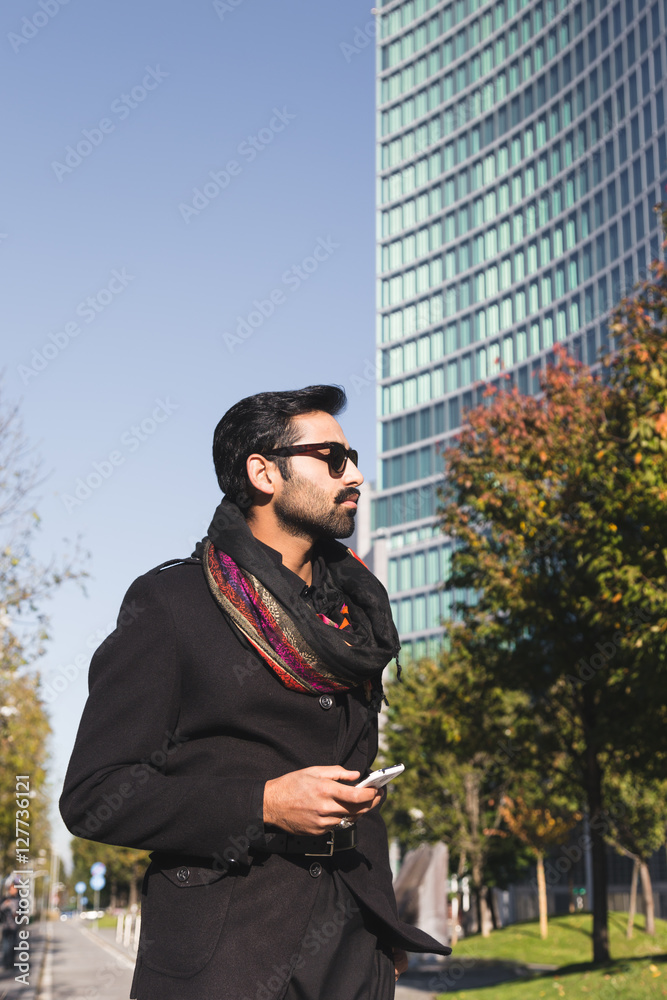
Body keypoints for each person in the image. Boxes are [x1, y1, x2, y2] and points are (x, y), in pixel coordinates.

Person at [60, 385, 451, 1000]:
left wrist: (384, 923)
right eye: (332, 457)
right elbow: (93, 794)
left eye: (351, 457)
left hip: (353, 957)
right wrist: (262, 804)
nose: (355, 474)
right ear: (264, 472)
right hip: (226, 963)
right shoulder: (171, 606)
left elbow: (354, 780)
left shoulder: (354, 620)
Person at [1, 881, 20, 971]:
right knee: (5, 946)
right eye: (12, 888)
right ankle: (5, 964)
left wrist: (17, 915)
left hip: (14, 927)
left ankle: (11, 963)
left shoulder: (19, 900)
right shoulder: (5, 899)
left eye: (15, 888)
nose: (13, 890)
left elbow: (22, 913)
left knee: (12, 945)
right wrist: (5, 905)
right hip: (5, 926)